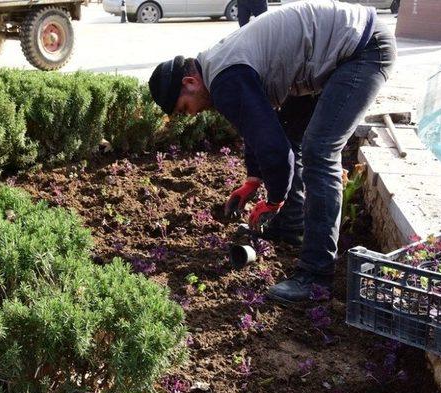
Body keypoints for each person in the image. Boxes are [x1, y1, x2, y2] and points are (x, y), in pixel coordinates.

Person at [148, 0, 396, 303]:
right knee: (291, 134)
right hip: (341, 50)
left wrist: (274, 199)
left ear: (190, 82)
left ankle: (316, 278)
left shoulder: (224, 78)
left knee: (320, 152)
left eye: (184, 108)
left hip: (362, 49)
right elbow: (259, 127)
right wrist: (253, 179)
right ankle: (289, 228)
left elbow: (275, 152)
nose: (191, 114)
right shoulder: (218, 69)